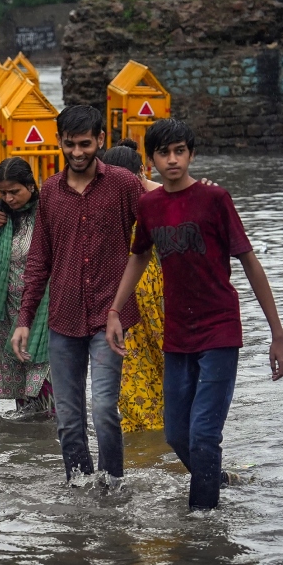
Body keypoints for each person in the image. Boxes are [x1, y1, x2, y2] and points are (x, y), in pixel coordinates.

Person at [107, 119, 283, 510]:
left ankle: (203, 526)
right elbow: (138, 257)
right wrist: (115, 311)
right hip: (178, 334)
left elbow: (250, 263)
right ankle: (217, 479)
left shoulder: (215, 199)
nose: (172, 160)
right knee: (176, 434)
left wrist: (277, 334)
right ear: (151, 160)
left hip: (220, 328)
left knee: (204, 433)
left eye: (179, 151)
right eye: (163, 153)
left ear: (191, 154)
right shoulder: (149, 206)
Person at [10, 105, 144, 487]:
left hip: (109, 317)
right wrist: (24, 320)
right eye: (69, 145)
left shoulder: (122, 184)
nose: (78, 152)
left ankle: (113, 487)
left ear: (100, 140)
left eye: (85, 144)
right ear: (59, 142)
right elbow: (39, 261)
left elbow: (155, 223)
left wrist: (188, 189)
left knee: (104, 409)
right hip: (64, 319)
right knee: (68, 419)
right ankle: (79, 488)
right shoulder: (51, 191)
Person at [0, 157, 53, 414]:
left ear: (30, 185)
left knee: (44, 372)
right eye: (3, 192)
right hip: (6, 310)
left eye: (14, 191)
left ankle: (54, 434)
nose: (9, 198)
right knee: (20, 378)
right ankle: (28, 440)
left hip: (42, 309)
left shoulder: (46, 212)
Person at [102, 140, 166, 433]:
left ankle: (140, 441)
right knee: (158, 359)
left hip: (120, 295)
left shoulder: (104, 200)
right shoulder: (153, 198)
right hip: (147, 289)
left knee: (129, 366)